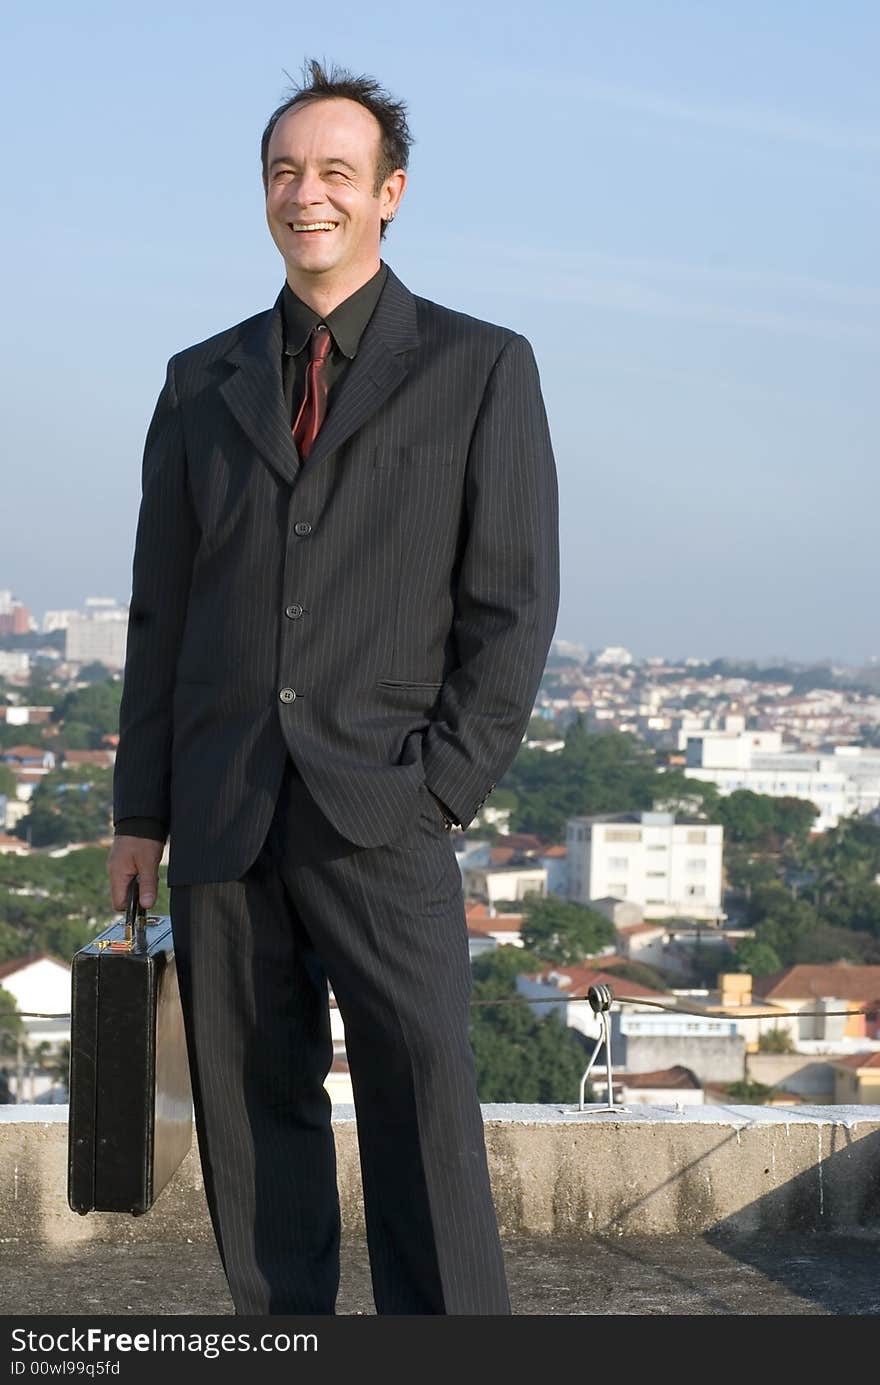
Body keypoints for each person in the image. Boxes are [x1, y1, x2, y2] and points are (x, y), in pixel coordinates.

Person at [108, 57, 559, 1316]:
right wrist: (139, 813)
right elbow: (162, 610)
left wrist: (444, 793)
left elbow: (513, 607)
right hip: (221, 807)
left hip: (388, 811)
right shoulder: (200, 380)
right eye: (284, 172)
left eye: (335, 173)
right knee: (255, 1128)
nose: (306, 194)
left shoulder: (481, 367)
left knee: (423, 1107)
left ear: (390, 194)